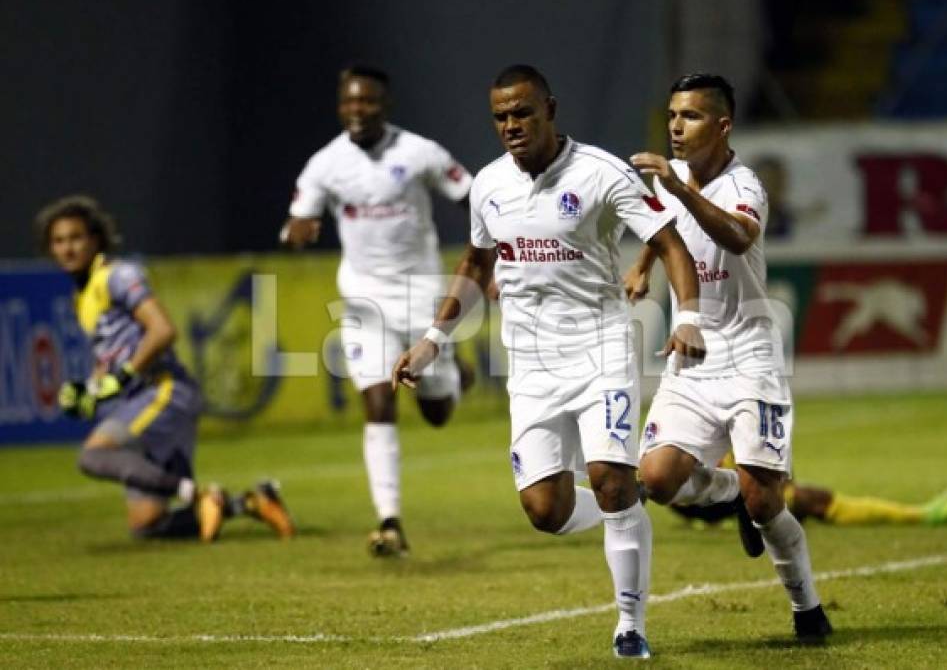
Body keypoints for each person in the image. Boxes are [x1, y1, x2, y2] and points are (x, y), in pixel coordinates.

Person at [393, 64, 705, 659]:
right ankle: (629, 506)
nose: (511, 125)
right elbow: (478, 266)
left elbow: (669, 242)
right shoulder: (488, 185)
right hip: (532, 364)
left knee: (610, 479)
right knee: (544, 508)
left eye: (522, 113)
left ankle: (630, 622)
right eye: (501, 117)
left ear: (550, 108)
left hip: (601, 349)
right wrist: (434, 338)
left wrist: (687, 317)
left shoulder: (600, 173)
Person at [624, 73, 833, 642]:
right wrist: (643, 264)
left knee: (767, 500)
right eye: (671, 114)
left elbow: (737, 238)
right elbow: (663, 222)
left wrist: (679, 187)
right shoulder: (674, 182)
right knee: (657, 478)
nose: (674, 125)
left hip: (749, 356)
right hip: (692, 358)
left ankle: (807, 608)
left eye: (689, 116)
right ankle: (729, 495)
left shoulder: (747, 183)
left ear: (722, 125)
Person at [281, 65, 474, 556]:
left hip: (421, 296)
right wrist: (294, 233)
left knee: (436, 413)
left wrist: (493, 251)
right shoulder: (325, 164)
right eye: (349, 102)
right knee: (377, 402)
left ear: (384, 105)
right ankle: (389, 521)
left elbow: (471, 194)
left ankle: (454, 377)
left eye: (366, 102)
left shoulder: (418, 152)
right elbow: (297, 220)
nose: (356, 111)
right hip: (363, 300)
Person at [39, 195, 294, 542]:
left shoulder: (117, 276)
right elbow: (110, 357)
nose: (67, 248)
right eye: (59, 241)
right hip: (143, 399)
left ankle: (199, 494)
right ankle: (250, 502)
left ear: (96, 239)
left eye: (76, 238)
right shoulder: (83, 296)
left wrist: (122, 376)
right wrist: (91, 390)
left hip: (164, 392)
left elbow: (163, 330)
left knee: (94, 456)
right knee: (148, 525)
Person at [671, 464, 947, 528]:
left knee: (798, 493)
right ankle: (924, 515)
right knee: (807, 498)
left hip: (730, 493)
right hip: (698, 496)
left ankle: (923, 514)